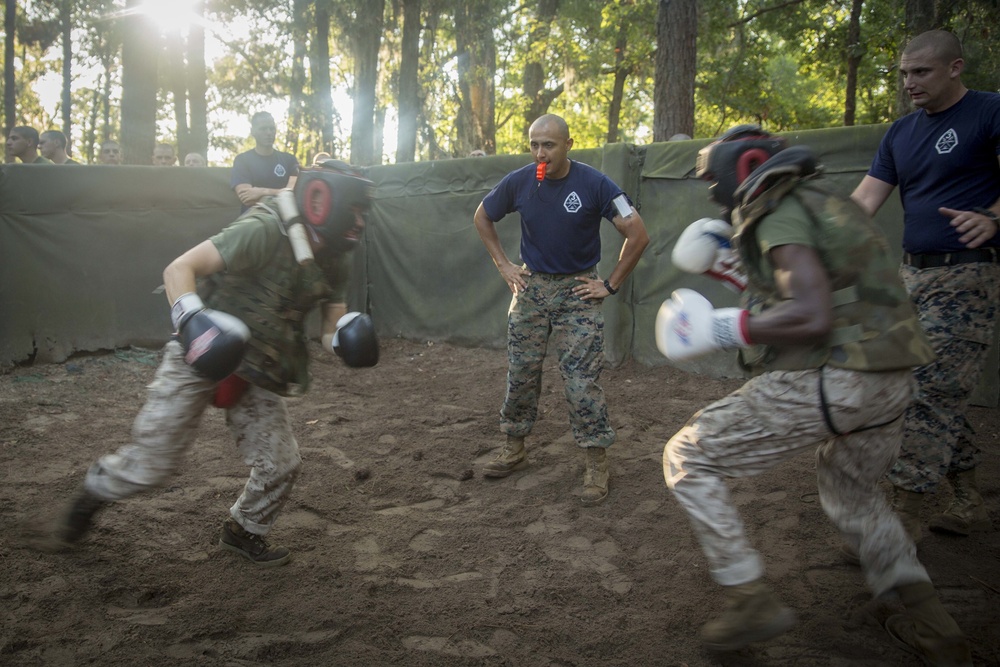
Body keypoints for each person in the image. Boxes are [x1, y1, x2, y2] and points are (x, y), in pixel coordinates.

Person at [656, 125, 971, 665]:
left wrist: (725, 328)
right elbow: (828, 290)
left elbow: (813, 313)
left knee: (688, 455)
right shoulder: (827, 204)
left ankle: (748, 599)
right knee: (851, 491)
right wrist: (738, 273)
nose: (713, 192)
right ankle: (937, 631)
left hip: (838, 379)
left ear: (746, 163)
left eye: (715, 179)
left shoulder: (776, 211)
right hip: (891, 382)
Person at [45, 161, 379, 567]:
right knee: (152, 466)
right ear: (323, 200)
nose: (360, 222)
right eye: (355, 210)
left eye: (365, 212)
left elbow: (329, 325)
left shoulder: (335, 257)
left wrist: (342, 342)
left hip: (259, 363)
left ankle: (242, 530)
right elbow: (179, 269)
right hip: (203, 348)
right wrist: (193, 323)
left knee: (281, 463)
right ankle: (90, 497)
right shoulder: (263, 229)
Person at [850, 29, 1000, 542]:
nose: (909, 82)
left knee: (927, 391)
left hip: (966, 274)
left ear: (955, 67)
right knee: (913, 385)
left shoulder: (988, 111)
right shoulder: (901, 133)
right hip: (909, 276)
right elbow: (864, 200)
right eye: (904, 73)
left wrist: (995, 217)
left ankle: (904, 519)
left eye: (921, 72)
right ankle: (966, 497)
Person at [472, 113, 649, 506]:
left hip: (577, 292)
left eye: (548, 145)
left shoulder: (595, 183)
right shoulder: (520, 181)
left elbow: (637, 234)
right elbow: (483, 216)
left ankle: (596, 462)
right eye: (534, 144)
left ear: (568, 144)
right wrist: (504, 264)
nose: (540, 153)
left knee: (581, 380)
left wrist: (610, 284)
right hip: (532, 288)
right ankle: (514, 447)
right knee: (521, 372)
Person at [231, 111, 299, 212]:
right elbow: (246, 199)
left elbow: (293, 193)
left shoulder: (289, 160)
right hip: (254, 218)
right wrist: (281, 195)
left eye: (272, 128)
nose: (268, 132)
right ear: (252, 131)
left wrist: (262, 191)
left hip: (284, 218)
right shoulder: (242, 160)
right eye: (263, 129)